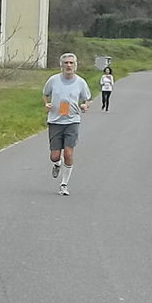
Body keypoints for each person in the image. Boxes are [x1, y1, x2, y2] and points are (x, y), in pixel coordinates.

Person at [42, 53, 91, 196]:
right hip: (55, 121)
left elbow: (87, 99)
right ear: (61, 65)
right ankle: (57, 164)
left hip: (72, 121)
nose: (68, 65)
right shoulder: (53, 80)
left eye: (71, 63)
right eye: (66, 63)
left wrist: (84, 105)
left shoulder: (80, 82)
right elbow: (45, 94)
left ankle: (64, 185)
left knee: (68, 153)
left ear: (75, 65)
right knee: (54, 156)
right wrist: (47, 104)